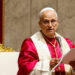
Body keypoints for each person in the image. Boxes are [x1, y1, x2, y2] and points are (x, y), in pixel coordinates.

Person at [17, 7, 75, 75]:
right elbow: (24, 68)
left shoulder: (67, 43)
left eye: (53, 21)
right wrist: (47, 64)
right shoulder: (30, 43)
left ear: (57, 23)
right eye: (46, 22)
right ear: (40, 24)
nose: (50, 25)